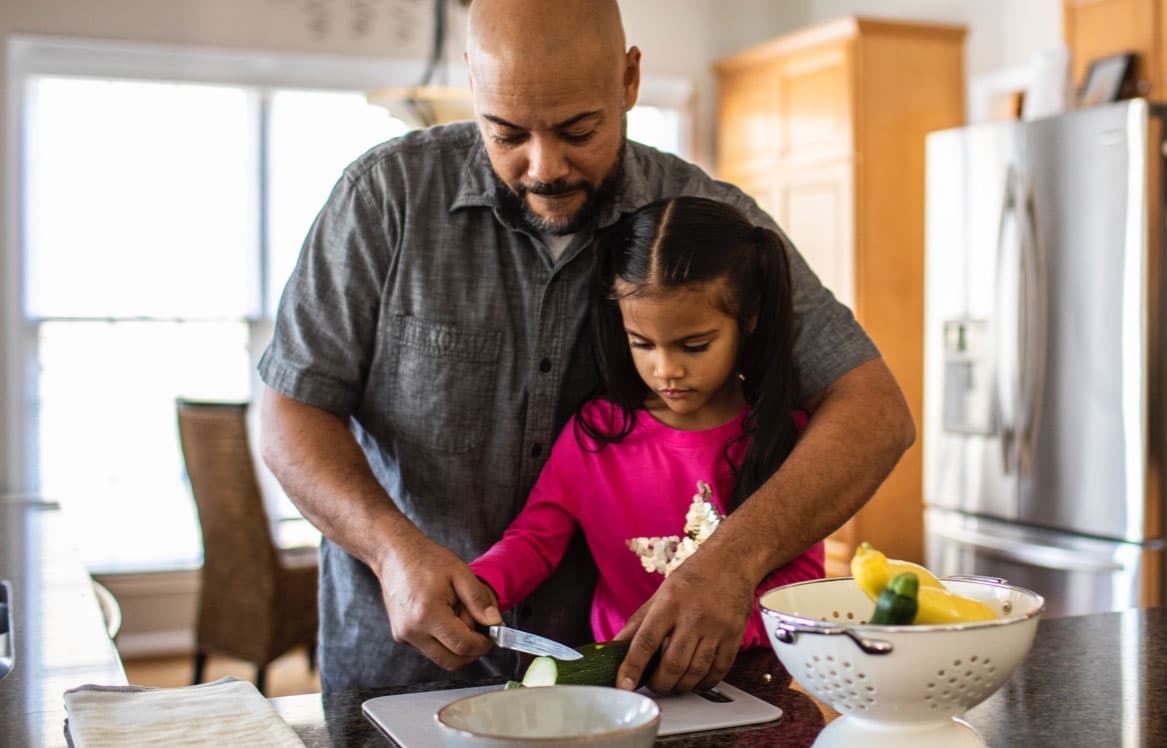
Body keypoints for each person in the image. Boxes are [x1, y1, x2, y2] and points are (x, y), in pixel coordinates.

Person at [258, 0, 914, 693]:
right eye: (507, 133)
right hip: (398, 677)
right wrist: (391, 551)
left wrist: (730, 561)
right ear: (473, 83)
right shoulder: (383, 198)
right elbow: (290, 416)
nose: (543, 167)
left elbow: (875, 413)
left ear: (629, 81)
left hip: (617, 689)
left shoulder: (701, 221)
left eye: (577, 130)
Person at [469, 197, 825, 687]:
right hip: (622, 689)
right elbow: (535, 539)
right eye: (642, 343)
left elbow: (799, 582)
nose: (666, 370)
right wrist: (481, 584)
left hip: (748, 682)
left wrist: (707, 635)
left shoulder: (785, 437)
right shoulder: (595, 434)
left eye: (694, 345)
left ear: (750, 317)